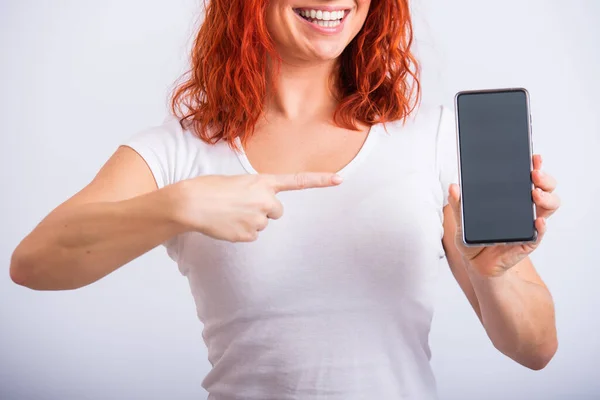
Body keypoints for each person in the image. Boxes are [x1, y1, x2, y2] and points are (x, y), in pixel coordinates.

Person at [10, 0, 560, 399]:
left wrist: (496, 273)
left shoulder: (431, 138)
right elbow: (33, 264)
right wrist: (176, 206)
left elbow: (536, 350)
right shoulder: (177, 151)